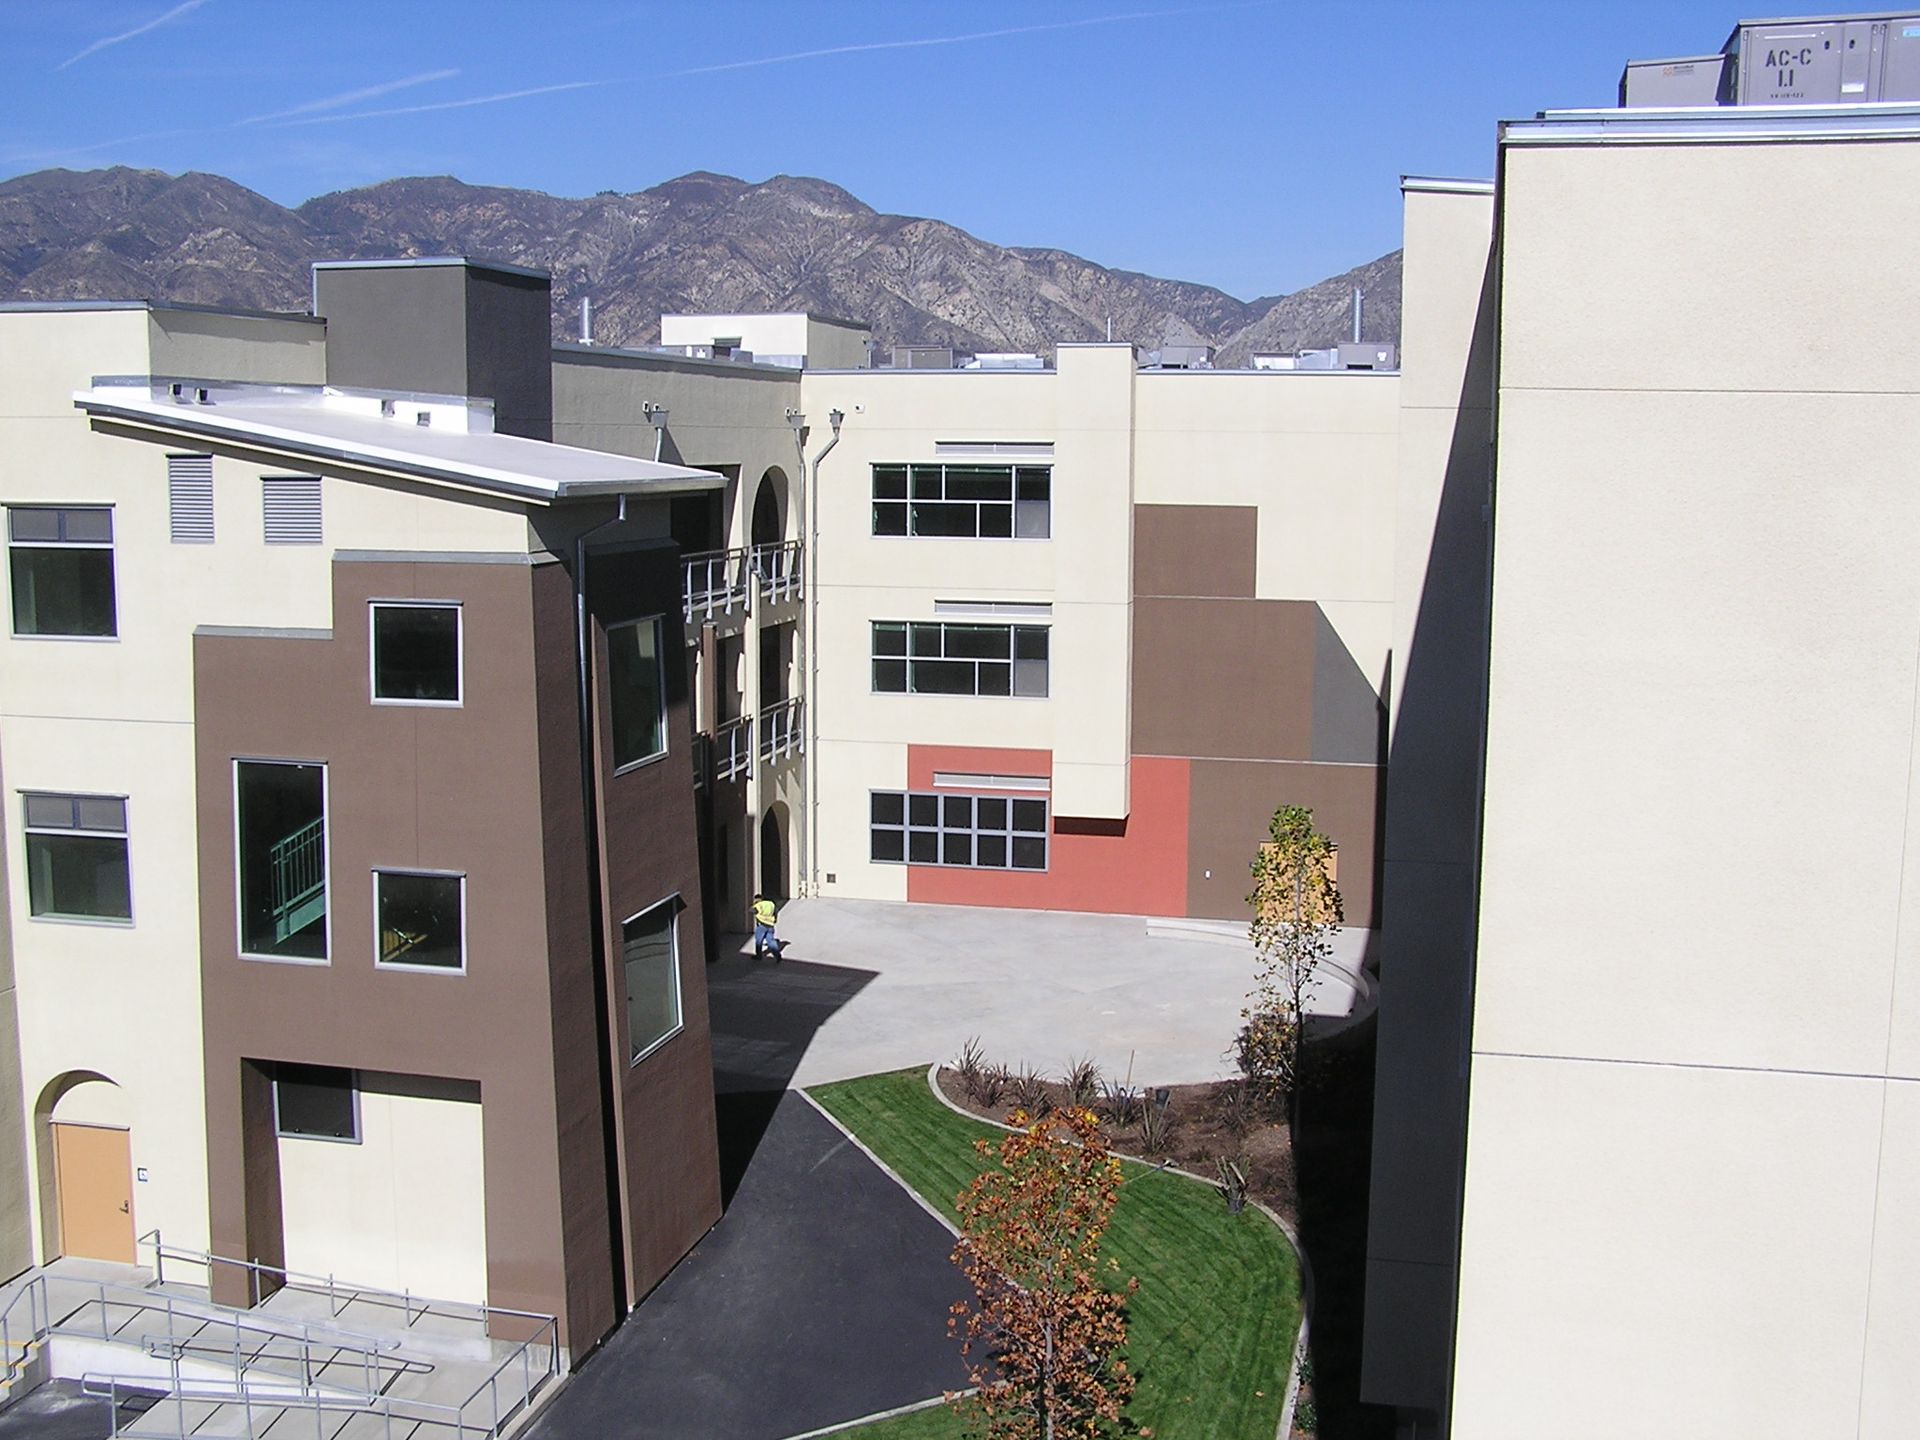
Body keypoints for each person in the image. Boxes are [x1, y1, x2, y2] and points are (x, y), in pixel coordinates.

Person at [752, 893, 783, 961]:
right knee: (771, 941)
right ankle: (777, 955)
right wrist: (774, 920)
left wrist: (754, 906)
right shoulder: (771, 904)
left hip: (762, 925)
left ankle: (758, 956)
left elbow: (752, 910)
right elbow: (775, 912)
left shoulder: (758, 905)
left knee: (759, 941)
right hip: (770, 925)